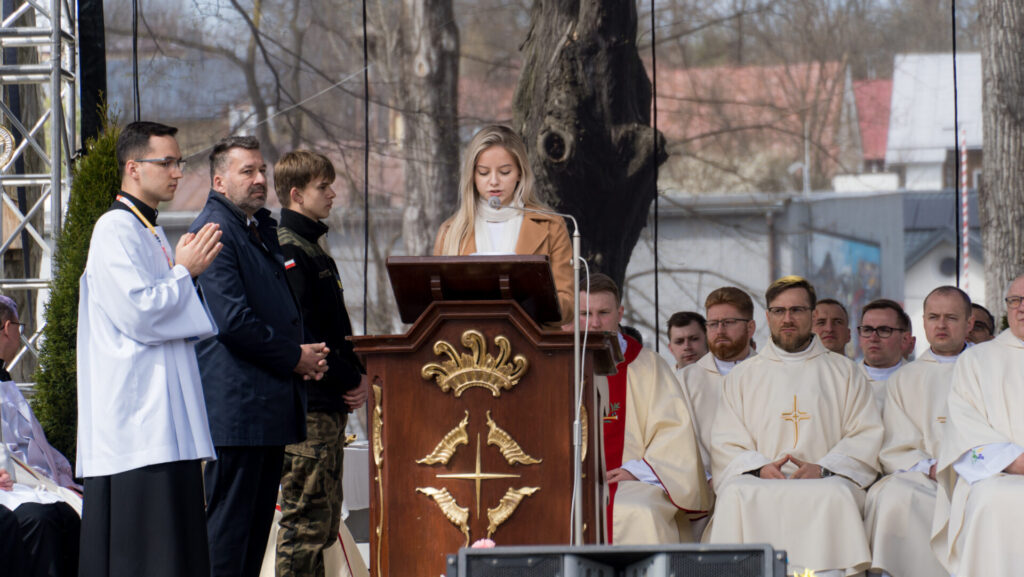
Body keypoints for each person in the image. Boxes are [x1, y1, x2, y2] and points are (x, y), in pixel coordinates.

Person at [76, 121, 224, 577]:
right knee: (146, 557)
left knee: (178, 552)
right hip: (135, 425)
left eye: (179, 162)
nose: (178, 172)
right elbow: (140, 313)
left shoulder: (151, 232)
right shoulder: (113, 229)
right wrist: (184, 273)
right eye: (168, 162)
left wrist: (183, 273)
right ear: (133, 168)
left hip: (164, 421)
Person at [190, 136, 328, 577]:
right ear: (218, 180)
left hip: (264, 411)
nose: (259, 179)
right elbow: (231, 321)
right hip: (238, 414)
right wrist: (294, 357)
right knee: (229, 541)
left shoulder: (253, 227)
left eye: (261, 170)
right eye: (246, 171)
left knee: (251, 541)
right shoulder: (215, 231)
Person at [707, 276, 882, 576]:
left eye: (797, 310)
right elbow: (726, 440)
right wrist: (760, 468)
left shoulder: (844, 372)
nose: (787, 319)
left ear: (813, 316)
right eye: (778, 311)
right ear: (767, 317)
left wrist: (823, 467)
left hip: (826, 480)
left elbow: (865, 434)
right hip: (762, 481)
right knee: (736, 493)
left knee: (837, 494)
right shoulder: (743, 376)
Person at [272, 150, 368, 577]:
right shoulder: (289, 250)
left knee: (326, 523)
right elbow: (306, 331)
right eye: (322, 187)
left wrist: (360, 374)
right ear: (296, 194)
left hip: (328, 404)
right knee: (304, 525)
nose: (332, 193)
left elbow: (336, 327)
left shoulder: (312, 246)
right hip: (309, 407)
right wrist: (352, 377)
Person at [581, 273, 708, 544]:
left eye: (603, 312)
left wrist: (636, 470)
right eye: (585, 313)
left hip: (634, 479)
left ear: (620, 313)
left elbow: (673, 434)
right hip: (573, 481)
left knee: (640, 512)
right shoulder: (558, 366)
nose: (594, 322)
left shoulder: (649, 365)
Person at [864, 286, 973, 577]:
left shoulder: (985, 367)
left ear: (969, 323)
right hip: (927, 477)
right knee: (894, 495)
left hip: (978, 474)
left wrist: (968, 466)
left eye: (951, 317)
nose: (941, 325)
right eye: (933, 317)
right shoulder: (905, 378)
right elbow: (896, 446)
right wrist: (931, 467)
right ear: (923, 321)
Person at [433, 125, 573, 325]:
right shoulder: (450, 232)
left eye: (505, 172)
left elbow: (568, 306)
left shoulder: (551, 225)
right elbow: (435, 307)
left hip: (532, 347)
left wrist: (533, 298)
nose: (494, 182)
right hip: (467, 347)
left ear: (520, 173)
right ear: (472, 176)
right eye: (483, 173)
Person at [932, 273, 1024, 576]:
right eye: (1015, 301)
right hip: (998, 475)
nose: (1021, 308)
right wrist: (1012, 460)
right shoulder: (977, 360)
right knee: (994, 500)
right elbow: (963, 427)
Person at [0, 298, 80, 577]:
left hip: (29, 480)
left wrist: (62, 476)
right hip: (11, 484)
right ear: (8, 328)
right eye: (20, 328)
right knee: (40, 519)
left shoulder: (6, 382)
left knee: (69, 511)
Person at [679, 287, 756, 485]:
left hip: (761, 485)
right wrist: (706, 479)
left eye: (728, 323)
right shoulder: (684, 381)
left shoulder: (771, 375)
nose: (720, 331)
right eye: (713, 324)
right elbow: (675, 443)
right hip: (701, 488)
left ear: (750, 328)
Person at [858, 299, 910, 410]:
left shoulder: (919, 380)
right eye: (867, 330)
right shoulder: (846, 380)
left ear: (904, 339)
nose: (873, 338)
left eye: (884, 330)